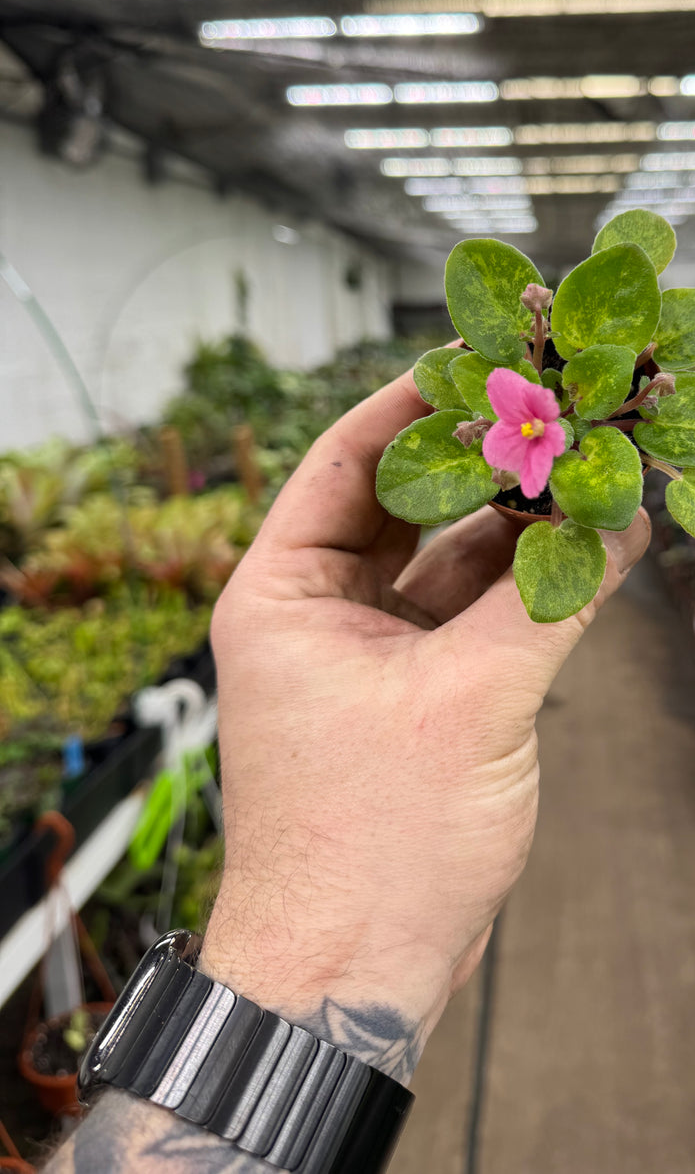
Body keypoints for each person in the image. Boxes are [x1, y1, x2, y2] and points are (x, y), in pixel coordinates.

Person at [45, 366, 650, 1172]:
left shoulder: (534, 437)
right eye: (527, 425)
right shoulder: (517, 436)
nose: (531, 433)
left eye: (535, 428)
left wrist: (332, 961)